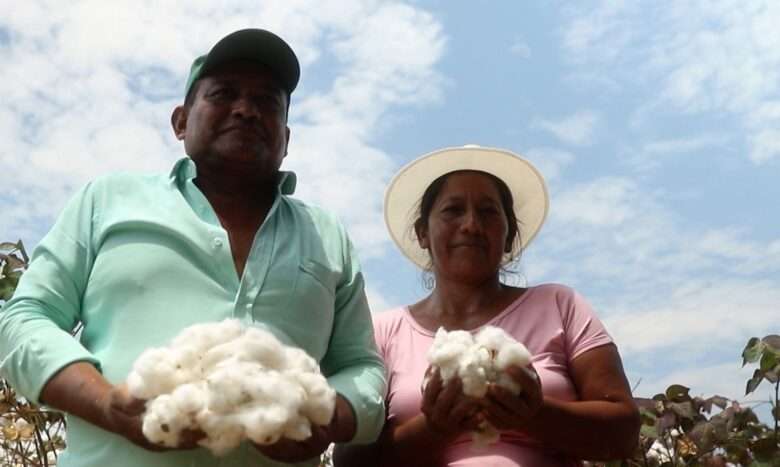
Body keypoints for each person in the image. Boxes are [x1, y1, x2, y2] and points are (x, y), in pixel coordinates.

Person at [0, 29, 385, 467]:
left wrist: (331, 414)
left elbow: (363, 368)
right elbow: (25, 319)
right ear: (181, 122)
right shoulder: (107, 200)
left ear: (286, 137)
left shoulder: (327, 233)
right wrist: (107, 404)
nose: (246, 110)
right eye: (223, 94)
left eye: (267, 102)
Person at [335, 146, 639, 466]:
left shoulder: (560, 305)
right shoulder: (383, 332)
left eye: (488, 211)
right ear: (422, 233)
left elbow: (624, 434)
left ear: (509, 237)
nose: (471, 225)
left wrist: (536, 414)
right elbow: (349, 460)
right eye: (453, 210)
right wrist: (434, 429)